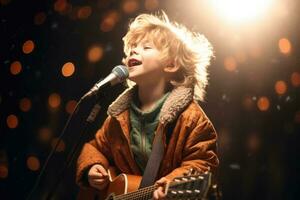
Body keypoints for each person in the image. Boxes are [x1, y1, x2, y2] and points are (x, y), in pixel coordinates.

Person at [76, 12, 219, 199]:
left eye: (146, 47)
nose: (134, 51)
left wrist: (169, 184)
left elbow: (201, 162)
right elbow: (96, 147)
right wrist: (93, 167)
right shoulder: (119, 116)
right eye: (132, 48)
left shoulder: (192, 120)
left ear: (171, 64)